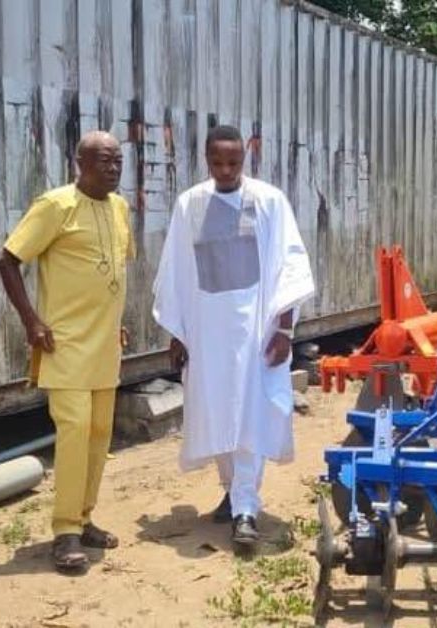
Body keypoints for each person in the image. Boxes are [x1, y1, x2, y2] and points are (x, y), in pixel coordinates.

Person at [152, 125, 316, 550]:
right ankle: (231, 489)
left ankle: (246, 507)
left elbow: (289, 266)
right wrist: (179, 332)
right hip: (208, 333)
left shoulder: (268, 201)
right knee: (215, 412)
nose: (225, 170)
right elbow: (177, 271)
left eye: (233, 162)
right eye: (217, 163)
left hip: (257, 331)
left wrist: (284, 328)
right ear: (206, 160)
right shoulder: (191, 204)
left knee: (250, 415)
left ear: (246, 159)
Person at [0, 131, 131, 573]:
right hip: (64, 343)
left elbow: (111, 271)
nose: (113, 169)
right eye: (103, 161)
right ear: (80, 163)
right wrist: (32, 321)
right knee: (73, 432)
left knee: (98, 435)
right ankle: (65, 532)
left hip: (106, 344)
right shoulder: (55, 205)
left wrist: (117, 321)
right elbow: (8, 259)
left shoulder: (119, 208)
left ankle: (85, 516)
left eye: (118, 161)